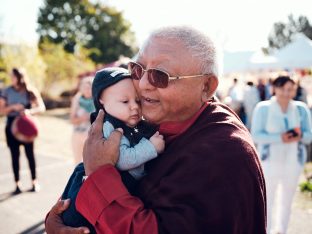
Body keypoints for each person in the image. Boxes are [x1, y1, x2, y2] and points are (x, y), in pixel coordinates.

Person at [46, 26, 266, 234]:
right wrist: (60, 219)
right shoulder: (154, 121)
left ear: (206, 87)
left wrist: (100, 174)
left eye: (160, 75)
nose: (142, 84)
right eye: (137, 69)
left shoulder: (224, 151)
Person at [61, 67, 164, 233]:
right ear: (102, 100)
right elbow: (122, 160)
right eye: (125, 102)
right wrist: (150, 147)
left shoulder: (128, 122)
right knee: (82, 217)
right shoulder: (112, 128)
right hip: (110, 184)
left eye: (137, 100)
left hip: (109, 183)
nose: (134, 107)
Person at [251, 76, 312, 234]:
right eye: (283, 88)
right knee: (268, 199)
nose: (286, 93)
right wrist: (280, 138)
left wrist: (298, 136)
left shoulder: (301, 109)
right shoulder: (263, 108)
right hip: (269, 161)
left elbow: (308, 136)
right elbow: (256, 135)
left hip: (293, 161)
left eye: (290, 89)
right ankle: (267, 230)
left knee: (287, 200)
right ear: (274, 88)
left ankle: (282, 230)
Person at [0, 68, 45, 194]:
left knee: (30, 155)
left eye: (13, 76)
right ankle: (17, 184)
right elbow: (1, 110)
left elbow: (42, 107)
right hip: (11, 127)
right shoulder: (6, 91)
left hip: (26, 126)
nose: (11, 79)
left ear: (20, 77)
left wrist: (29, 111)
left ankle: (34, 182)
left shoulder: (30, 90)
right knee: (15, 156)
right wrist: (13, 107)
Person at [70, 76, 95, 164]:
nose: (87, 90)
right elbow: (72, 120)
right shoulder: (77, 100)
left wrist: (90, 117)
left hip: (92, 136)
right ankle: (79, 178)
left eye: (89, 87)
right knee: (77, 163)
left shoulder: (97, 101)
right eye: (84, 87)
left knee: (90, 163)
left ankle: (88, 178)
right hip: (77, 134)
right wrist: (83, 118)